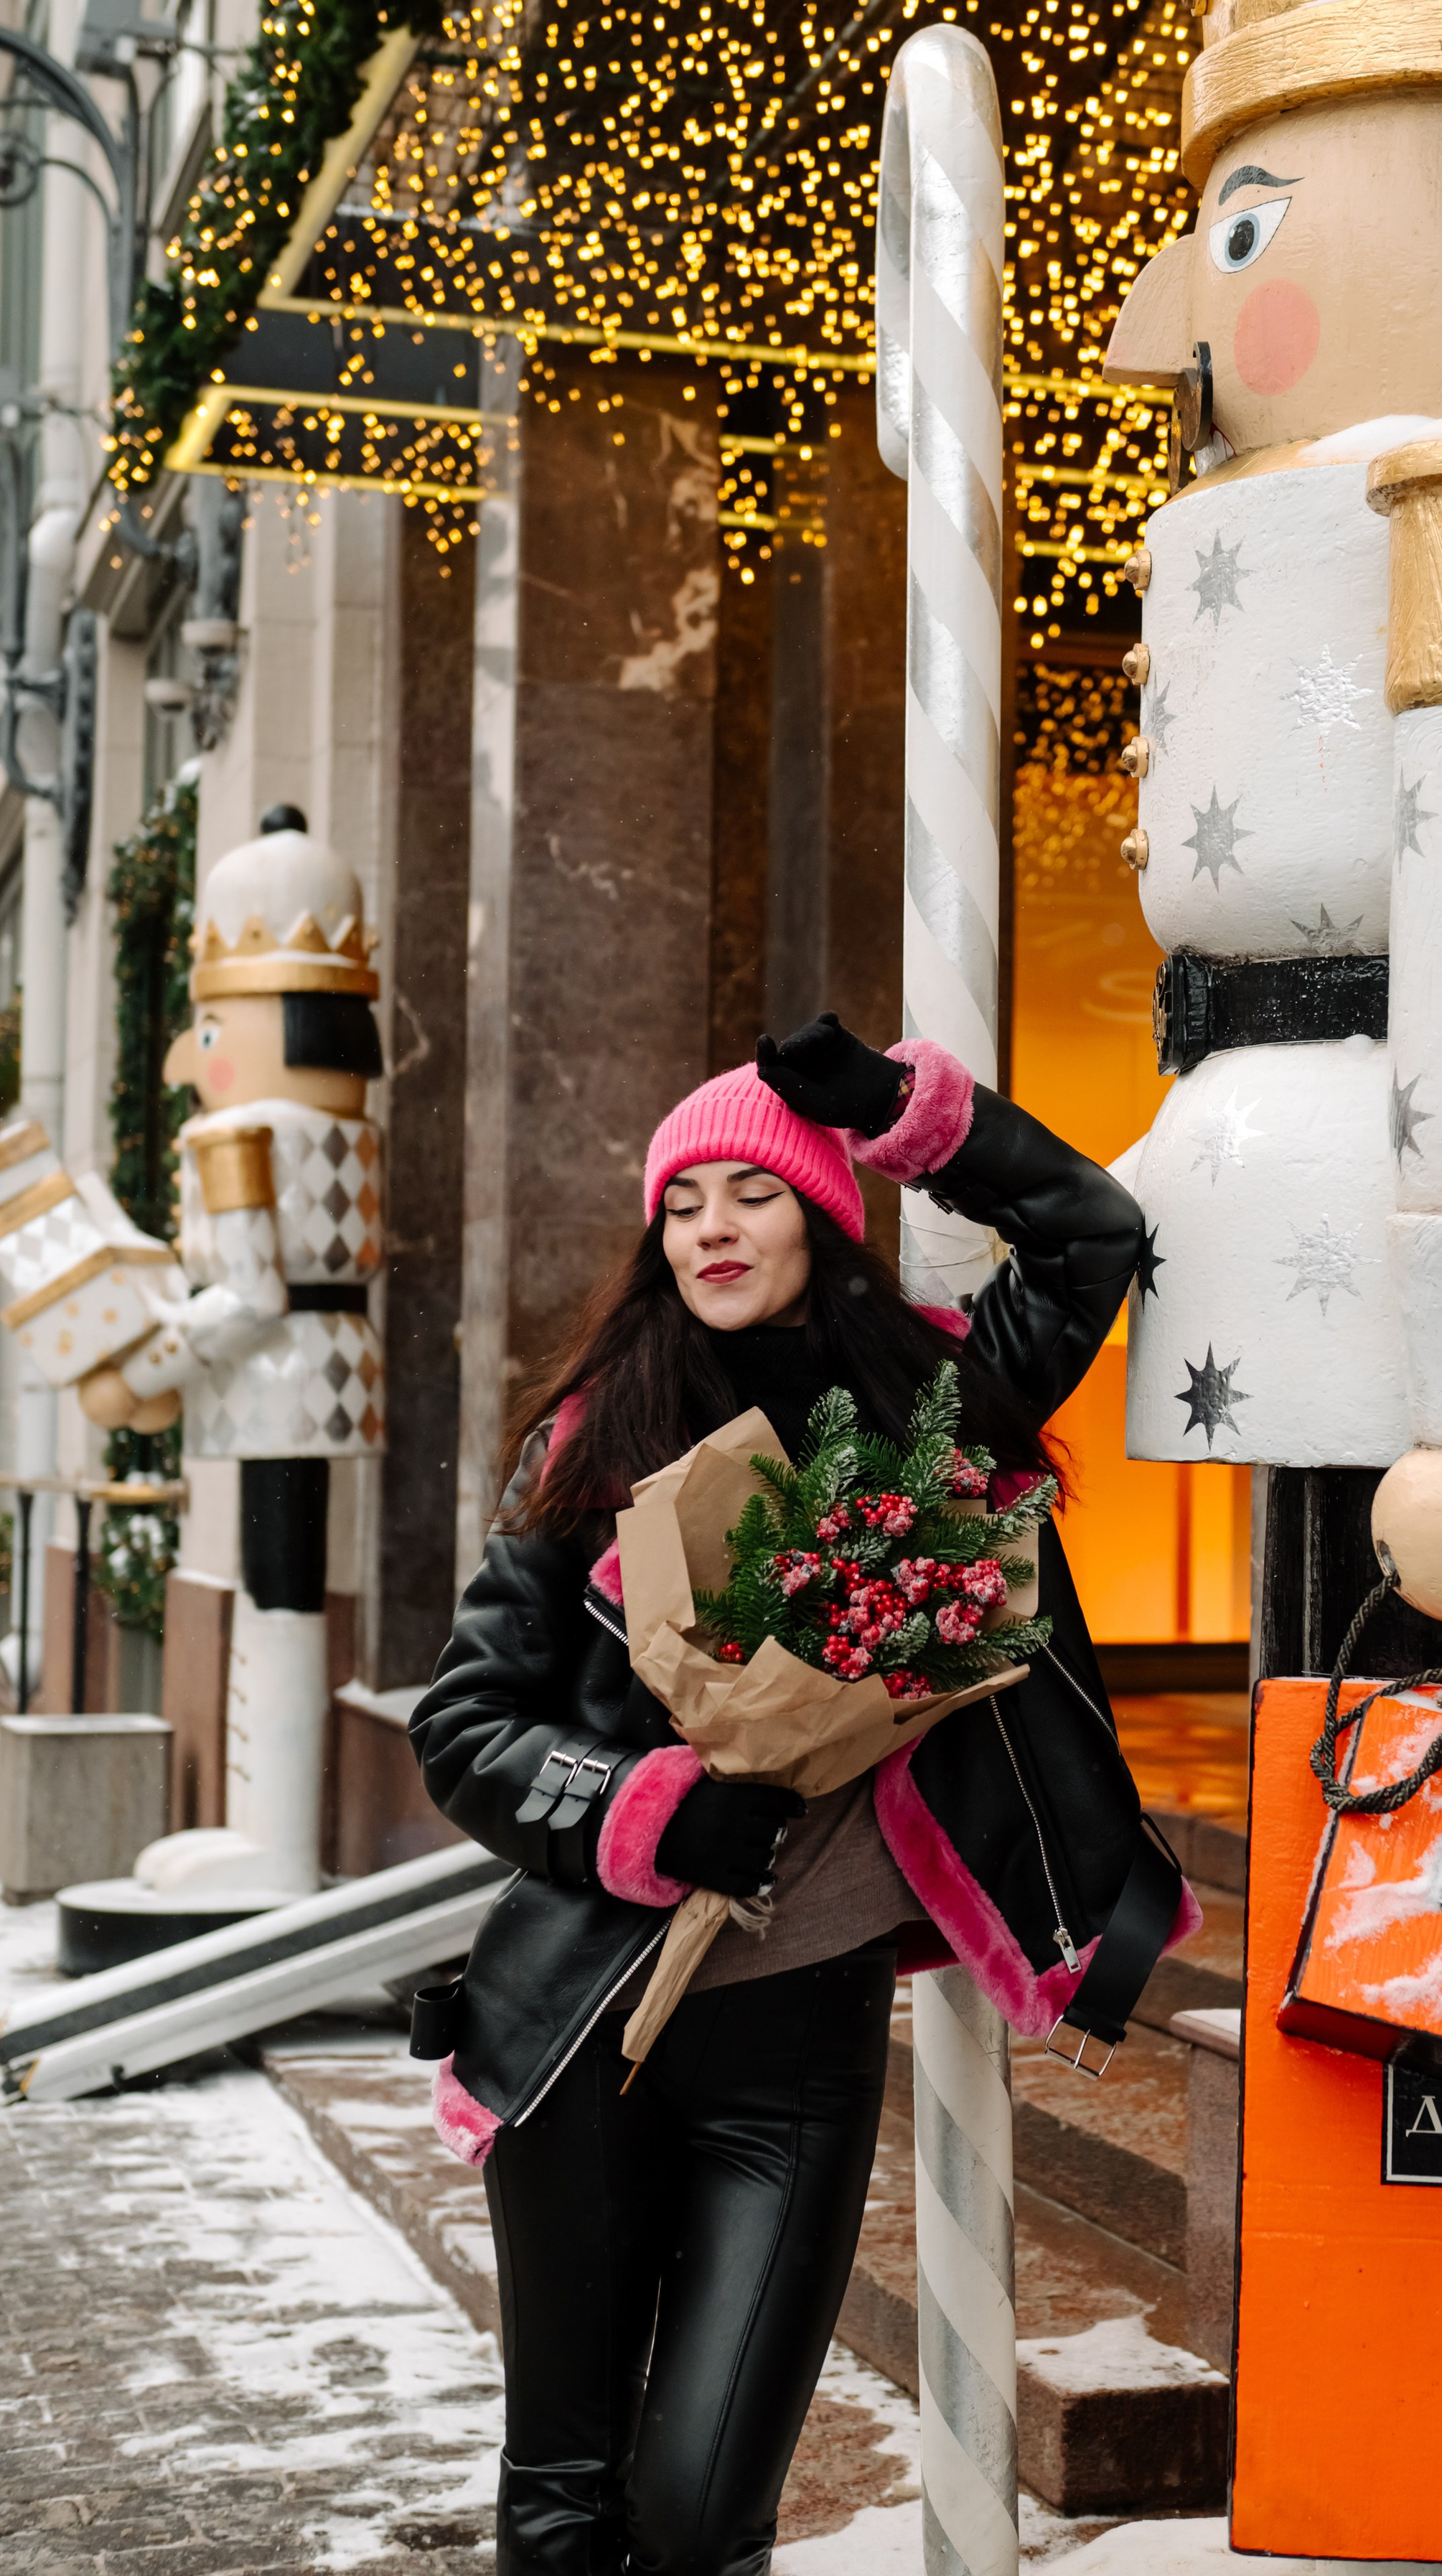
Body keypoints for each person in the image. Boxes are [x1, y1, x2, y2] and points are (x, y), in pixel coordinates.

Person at [409, 1013, 1199, 2576]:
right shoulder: (584, 1445)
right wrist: (642, 1806)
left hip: (797, 2058)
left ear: (824, 1218)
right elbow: (465, 1723)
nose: (711, 1223)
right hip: (587, 2031)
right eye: (683, 1198)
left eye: (751, 1191)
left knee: (704, 2511)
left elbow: (1089, 1232)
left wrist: (907, 1115)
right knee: (565, 2497)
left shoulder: (927, 1425)